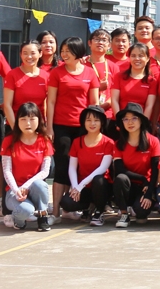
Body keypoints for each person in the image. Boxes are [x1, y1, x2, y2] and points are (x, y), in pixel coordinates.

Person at [46, 37, 100, 221]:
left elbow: (94, 103)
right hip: (61, 126)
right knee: (62, 166)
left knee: (79, 167)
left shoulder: (89, 73)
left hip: (84, 128)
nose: (64, 54)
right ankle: (55, 211)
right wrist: (49, 127)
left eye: (68, 51)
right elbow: (51, 102)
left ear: (78, 52)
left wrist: (94, 128)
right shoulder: (56, 73)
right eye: (62, 51)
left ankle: (70, 207)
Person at [1, 102, 53, 231]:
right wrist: (17, 190)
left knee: (40, 184)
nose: (28, 123)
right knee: (25, 210)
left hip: (33, 187)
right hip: (15, 190)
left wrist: (26, 186)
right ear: (17, 121)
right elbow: (7, 170)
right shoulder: (9, 140)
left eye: (32, 119)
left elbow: (45, 171)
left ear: (39, 120)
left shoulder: (44, 140)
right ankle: (18, 221)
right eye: (23, 119)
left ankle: (43, 217)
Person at [59, 106, 114, 226]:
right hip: (82, 188)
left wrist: (80, 185)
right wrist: (75, 187)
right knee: (66, 202)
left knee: (98, 180)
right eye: (88, 120)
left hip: (101, 187)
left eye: (96, 120)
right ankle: (88, 208)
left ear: (102, 122)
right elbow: (72, 167)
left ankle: (99, 212)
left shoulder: (108, 142)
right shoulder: (77, 141)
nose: (92, 123)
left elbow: (102, 168)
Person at [112, 103, 160, 227]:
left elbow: (156, 170)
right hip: (129, 185)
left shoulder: (153, 141)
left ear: (141, 121)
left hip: (146, 187)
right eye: (126, 119)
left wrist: (149, 193)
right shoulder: (118, 144)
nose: (130, 122)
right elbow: (120, 170)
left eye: (134, 118)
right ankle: (124, 214)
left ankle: (137, 209)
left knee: (141, 212)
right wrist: (142, 178)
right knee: (120, 178)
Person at [3, 41, 48, 129]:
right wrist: (16, 129)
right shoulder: (12, 75)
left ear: (40, 54)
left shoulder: (46, 76)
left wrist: (46, 126)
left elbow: (48, 104)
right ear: (20, 55)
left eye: (33, 53)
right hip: (15, 125)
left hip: (37, 126)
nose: (29, 57)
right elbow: (7, 105)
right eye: (25, 53)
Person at [111, 43, 156, 120]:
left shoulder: (151, 81)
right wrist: (120, 120)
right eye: (133, 56)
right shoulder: (119, 76)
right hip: (121, 120)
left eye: (141, 56)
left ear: (148, 58)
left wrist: (143, 123)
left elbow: (149, 105)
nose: (137, 59)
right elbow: (114, 100)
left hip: (140, 121)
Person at [87, 28, 119, 114]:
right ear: (89, 43)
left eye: (104, 40)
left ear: (109, 45)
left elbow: (117, 93)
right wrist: (98, 88)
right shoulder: (82, 64)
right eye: (97, 39)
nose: (100, 42)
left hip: (108, 114)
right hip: (86, 113)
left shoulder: (114, 67)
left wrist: (103, 106)